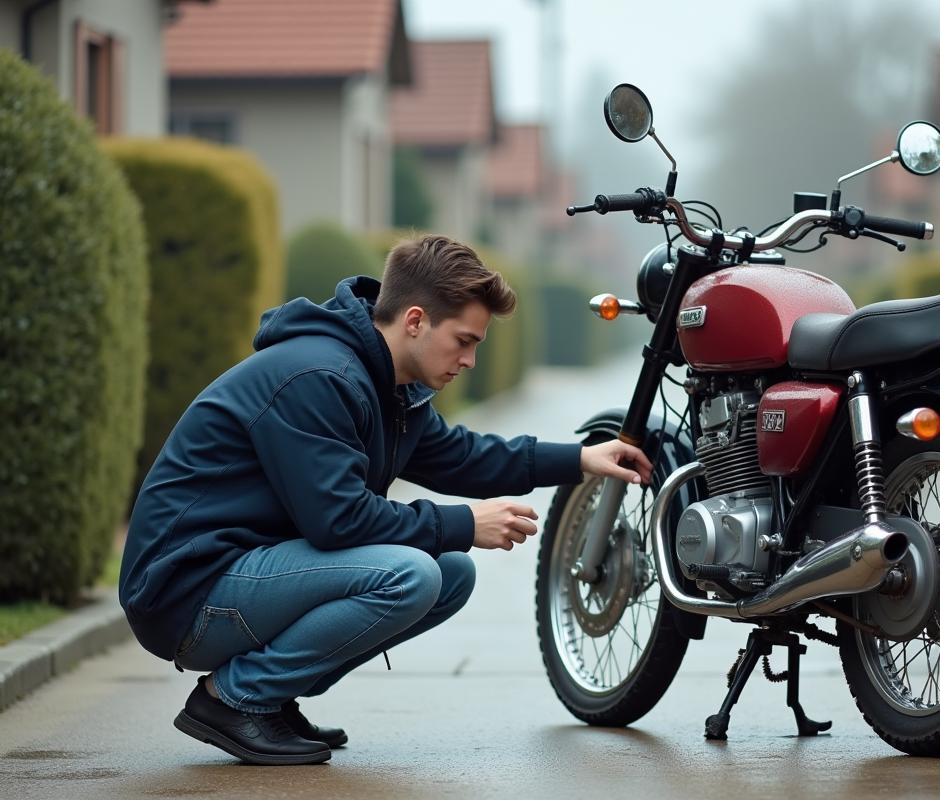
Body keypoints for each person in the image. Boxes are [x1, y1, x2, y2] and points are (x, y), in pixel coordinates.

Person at [119, 234, 651, 766]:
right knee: (410, 575)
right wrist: (464, 522)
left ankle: (270, 698)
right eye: (463, 341)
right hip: (186, 592)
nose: (468, 360)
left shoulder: (390, 387)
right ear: (415, 321)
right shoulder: (319, 378)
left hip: (244, 574)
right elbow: (340, 521)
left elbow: (462, 457)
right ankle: (235, 700)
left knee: (450, 574)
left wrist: (581, 460)